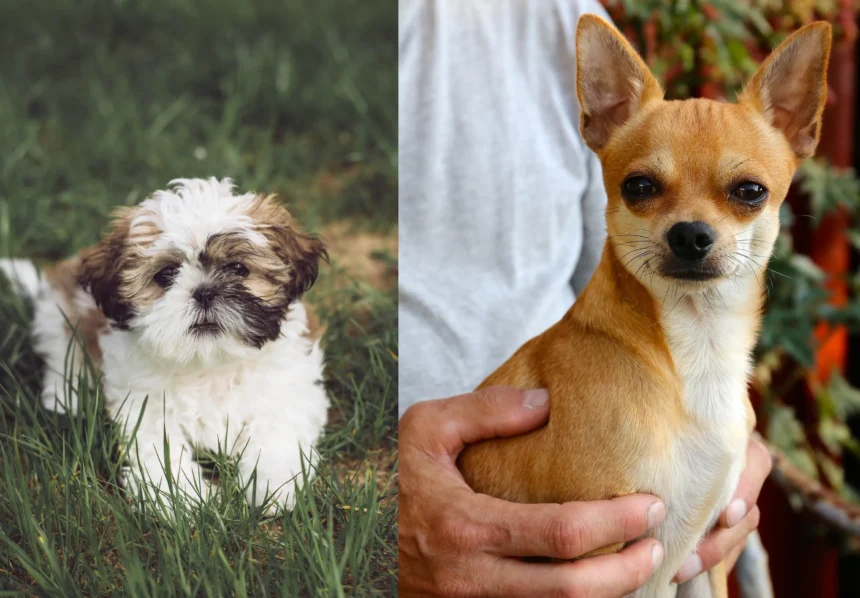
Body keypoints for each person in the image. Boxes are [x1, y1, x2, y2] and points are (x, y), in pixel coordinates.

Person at [398, 0, 772, 596]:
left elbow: (605, 303)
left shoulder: (555, 14)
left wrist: (716, 440)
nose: (693, 226)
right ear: (602, 120)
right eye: (647, 188)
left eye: (746, 194)